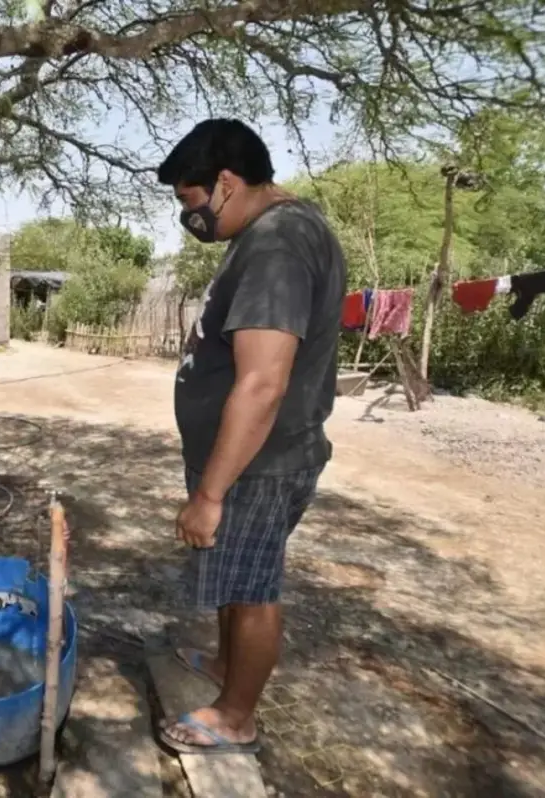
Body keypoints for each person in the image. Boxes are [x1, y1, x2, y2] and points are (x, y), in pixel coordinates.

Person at [156, 119, 345, 755]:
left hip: (256, 465)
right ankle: (224, 666)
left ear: (228, 184)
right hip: (247, 459)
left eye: (192, 201)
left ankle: (237, 716)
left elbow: (263, 383)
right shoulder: (272, 229)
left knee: (254, 587)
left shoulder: (278, 246)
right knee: (236, 580)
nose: (192, 218)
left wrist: (209, 494)